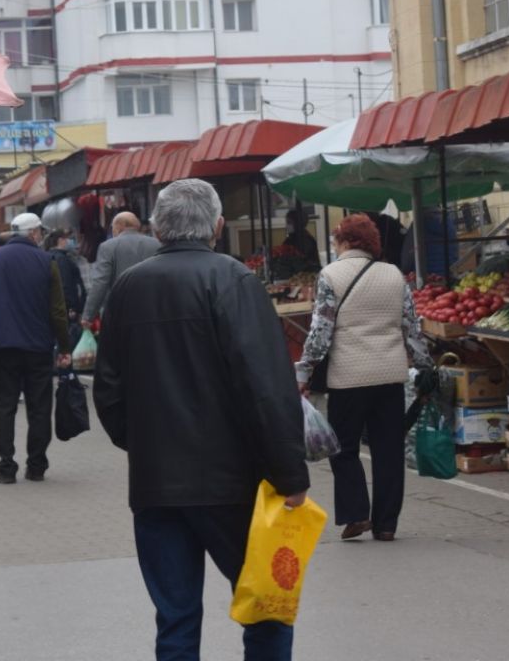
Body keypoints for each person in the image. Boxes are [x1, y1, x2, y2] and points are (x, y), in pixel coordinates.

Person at [92, 179, 310, 660]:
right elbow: (267, 389)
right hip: (232, 484)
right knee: (264, 607)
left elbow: (108, 390)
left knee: (175, 619)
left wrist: (145, 442)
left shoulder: (128, 287)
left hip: (156, 484)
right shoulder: (233, 280)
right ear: (217, 226)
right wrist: (291, 473)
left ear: (156, 228)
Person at [296, 213, 434, 542]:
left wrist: (304, 369)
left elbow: (320, 332)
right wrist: (424, 365)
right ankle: (386, 524)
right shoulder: (394, 275)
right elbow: (411, 328)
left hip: (348, 378)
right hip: (389, 377)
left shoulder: (330, 275)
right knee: (388, 450)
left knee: (342, 448)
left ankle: (357, 514)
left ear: (342, 241)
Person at [0, 212, 71, 484]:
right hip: (38, 346)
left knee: (5, 407)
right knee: (39, 407)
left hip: (2, 346)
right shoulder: (47, 261)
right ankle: (36, 465)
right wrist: (64, 345)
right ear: (35, 233)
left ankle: (6, 466)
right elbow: (58, 310)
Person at [81, 211, 160, 327]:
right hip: (152, 312)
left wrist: (88, 316)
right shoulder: (156, 244)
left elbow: (100, 282)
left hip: (119, 313)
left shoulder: (107, 247)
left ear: (118, 227)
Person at [45, 229, 86, 327]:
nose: (69, 242)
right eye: (67, 239)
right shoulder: (61, 259)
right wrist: (72, 307)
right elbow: (66, 284)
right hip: (67, 308)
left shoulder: (49, 256)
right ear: (60, 240)